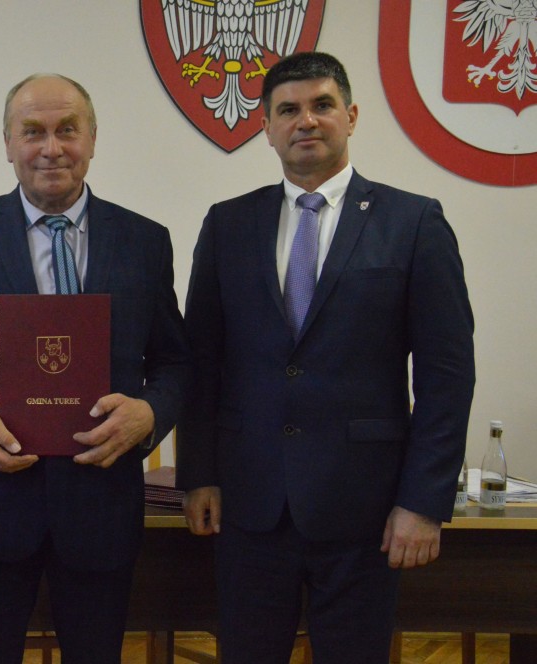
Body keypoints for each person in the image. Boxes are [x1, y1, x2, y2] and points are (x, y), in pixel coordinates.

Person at [177, 52, 475, 663]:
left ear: (351, 116)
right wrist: (198, 472)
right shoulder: (228, 224)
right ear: (266, 127)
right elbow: (201, 361)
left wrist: (423, 502)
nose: (305, 121)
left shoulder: (413, 222)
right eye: (288, 110)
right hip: (249, 505)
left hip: (366, 510)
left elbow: (447, 376)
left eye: (322, 105)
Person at [0, 73, 190, 664]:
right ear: (8, 143)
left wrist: (150, 412)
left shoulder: (145, 241)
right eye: (32, 132)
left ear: (93, 139)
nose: (51, 148)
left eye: (67, 130)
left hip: (101, 510)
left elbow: (176, 360)